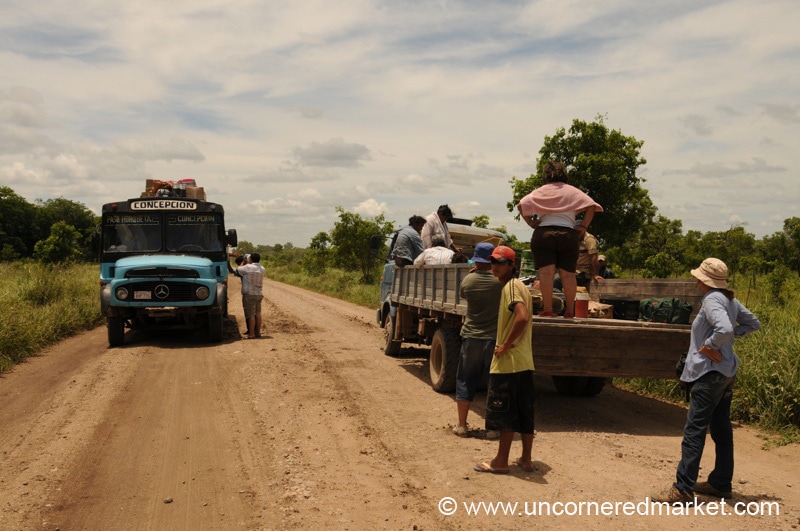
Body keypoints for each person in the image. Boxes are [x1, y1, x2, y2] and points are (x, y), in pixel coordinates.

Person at [653, 258, 761, 504]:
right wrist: (728, 341)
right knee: (721, 430)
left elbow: (724, 329)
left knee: (695, 430)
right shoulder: (729, 299)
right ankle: (720, 483)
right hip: (726, 373)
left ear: (704, 280)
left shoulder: (712, 299)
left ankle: (682, 489)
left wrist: (709, 346)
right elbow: (753, 323)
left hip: (708, 374)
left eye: (698, 278)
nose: (696, 281)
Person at [473, 246, 536, 474]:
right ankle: (526, 459)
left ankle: (500, 462)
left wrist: (506, 345)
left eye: (500, 262)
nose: (495, 266)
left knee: (505, 413)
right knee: (524, 412)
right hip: (524, 361)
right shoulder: (521, 286)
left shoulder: (510, 287)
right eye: (493, 262)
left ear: (511, 265)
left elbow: (522, 317)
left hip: (509, 363)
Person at [517, 160, 602, 318]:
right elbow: (591, 206)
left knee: (546, 274)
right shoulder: (573, 191)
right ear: (564, 176)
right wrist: (583, 226)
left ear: (545, 176)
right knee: (568, 275)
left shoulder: (540, 191)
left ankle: (548, 309)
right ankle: (569, 311)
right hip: (568, 234)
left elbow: (521, 204)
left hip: (544, 233)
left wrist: (531, 222)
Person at [453, 242, 502, 440]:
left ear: (476, 259)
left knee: (466, 380)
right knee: (494, 384)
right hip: (493, 339)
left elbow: (463, 294)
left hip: (471, 337)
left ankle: (462, 426)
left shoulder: (468, 280)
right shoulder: (501, 282)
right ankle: (492, 429)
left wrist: (473, 274)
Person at [237, 252, 265, 339]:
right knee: (258, 313)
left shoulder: (247, 267)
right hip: (258, 293)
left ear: (251, 259)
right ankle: (258, 333)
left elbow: (238, 269)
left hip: (249, 294)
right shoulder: (262, 268)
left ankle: (251, 334)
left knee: (250, 314)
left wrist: (243, 262)